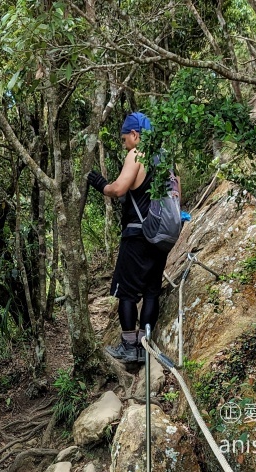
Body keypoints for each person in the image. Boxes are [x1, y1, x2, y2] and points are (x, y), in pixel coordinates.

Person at [87, 112, 175, 364]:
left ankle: (129, 347)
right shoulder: (163, 158)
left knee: (126, 293)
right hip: (159, 236)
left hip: (137, 236)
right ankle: (145, 346)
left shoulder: (137, 154)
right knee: (150, 292)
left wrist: (100, 184)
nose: (124, 142)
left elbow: (119, 189)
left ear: (136, 135)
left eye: (125, 137)